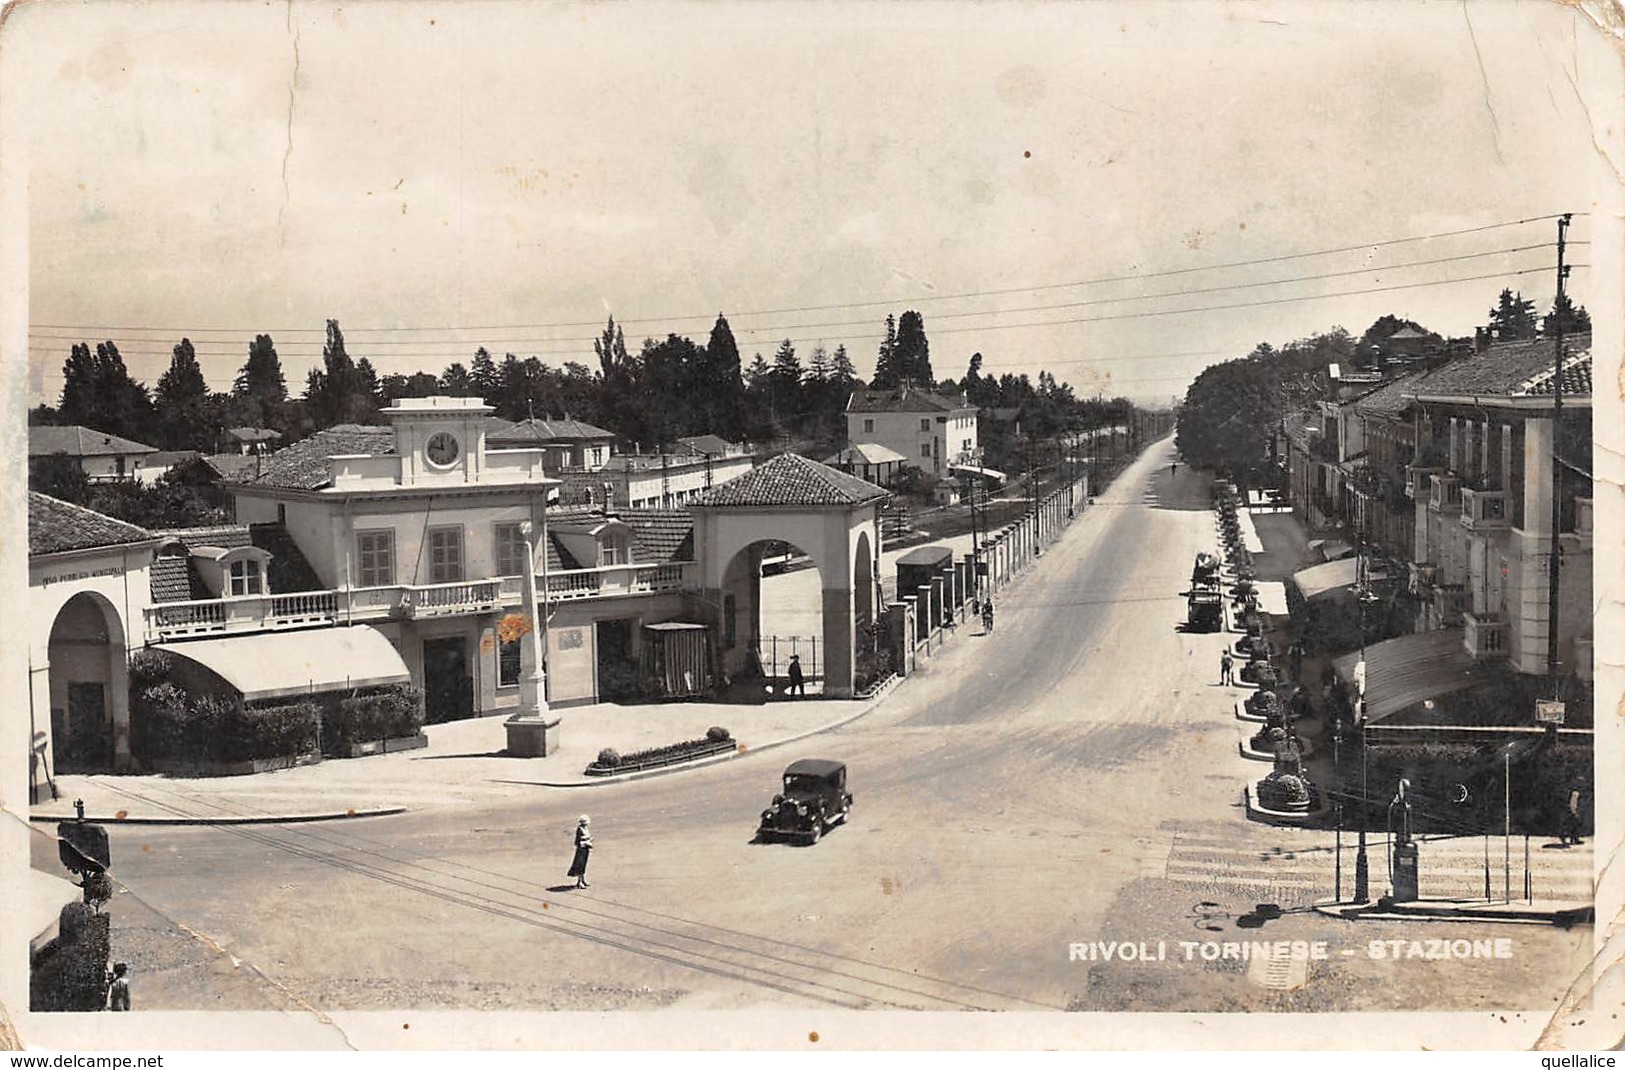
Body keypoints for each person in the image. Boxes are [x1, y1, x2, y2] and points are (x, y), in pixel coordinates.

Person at [567, 815, 593, 888]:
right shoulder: (580, 829)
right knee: (580, 865)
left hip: (586, 849)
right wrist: (586, 842)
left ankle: (583, 880)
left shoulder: (585, 829)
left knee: (584, 865)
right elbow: (578, 841)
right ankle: (579, 882)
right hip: (581, 850)